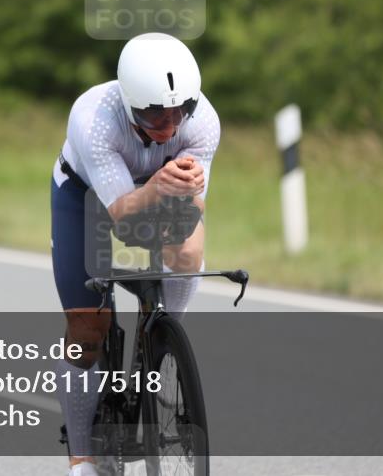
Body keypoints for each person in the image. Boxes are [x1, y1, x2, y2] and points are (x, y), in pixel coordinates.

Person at [50, 32, 220, 476]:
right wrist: (162, 184)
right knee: (88, 326)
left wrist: (178, 203)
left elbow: (192, 213)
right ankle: (83, 459)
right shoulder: (95, 121)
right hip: (85, 195)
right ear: (128, 104)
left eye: (178, 111)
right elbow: (122, 218)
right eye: (152, 114)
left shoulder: (203, 122)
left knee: (185, 255)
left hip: (155, 188)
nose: (168, 127)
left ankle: (162, 340)